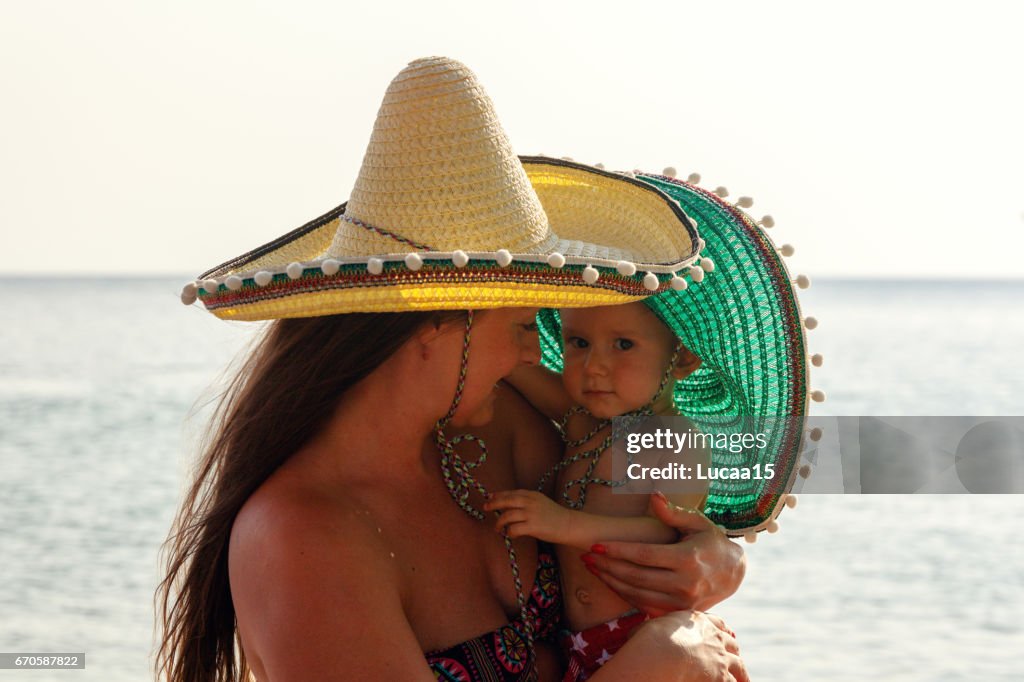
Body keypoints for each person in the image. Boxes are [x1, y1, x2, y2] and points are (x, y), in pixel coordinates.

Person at [157, 57, 750, 682]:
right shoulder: (300, 537)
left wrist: (717, 554)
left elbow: (698, 457)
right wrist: (663, 663)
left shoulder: (504, 437)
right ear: (432, 326)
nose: (533, 356)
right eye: (523, 328)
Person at [488, 300, 712, 680]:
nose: (593, 366)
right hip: (573, 642)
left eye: (623, 345)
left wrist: (563, 525)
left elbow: (665, 531)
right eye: (578, 343)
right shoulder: (581, 419)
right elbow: (513, 365)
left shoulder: (673, 436)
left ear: (684, 357)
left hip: (644, 640)